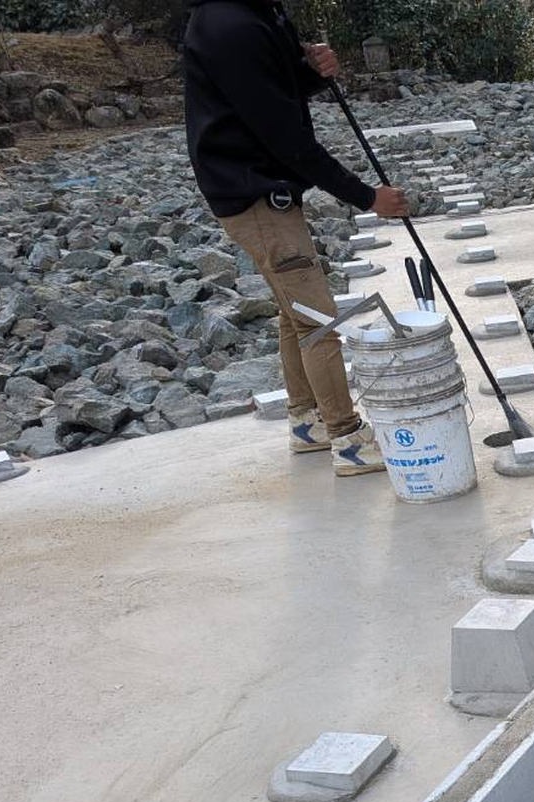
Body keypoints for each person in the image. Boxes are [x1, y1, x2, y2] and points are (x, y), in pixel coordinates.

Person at [182, 0, 410, 476]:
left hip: (257, 186)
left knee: (295, 314)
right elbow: (285, 136)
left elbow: (271, 95)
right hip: (255, 195)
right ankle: (348, 440)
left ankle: (307, 422)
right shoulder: (231, 25)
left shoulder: (258, 12)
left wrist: (311, 72)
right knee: (318, 321)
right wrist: (367, 197)